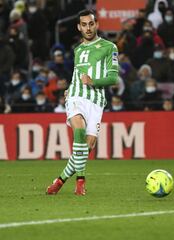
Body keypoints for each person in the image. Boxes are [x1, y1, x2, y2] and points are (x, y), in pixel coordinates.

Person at [46, 10, 119, 196]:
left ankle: (59, 181)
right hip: (77, 96)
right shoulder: (77, 50)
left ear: (97, 25)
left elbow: (113, 78)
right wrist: (70, 88)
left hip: (96, 102)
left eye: (91, 24)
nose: (88, 28)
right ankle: (80, 182)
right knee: (78, 129)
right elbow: (78, 75)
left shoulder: (110, 47)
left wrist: (94, 82)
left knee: (86, 148)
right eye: (84, 25)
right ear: (79, 27)